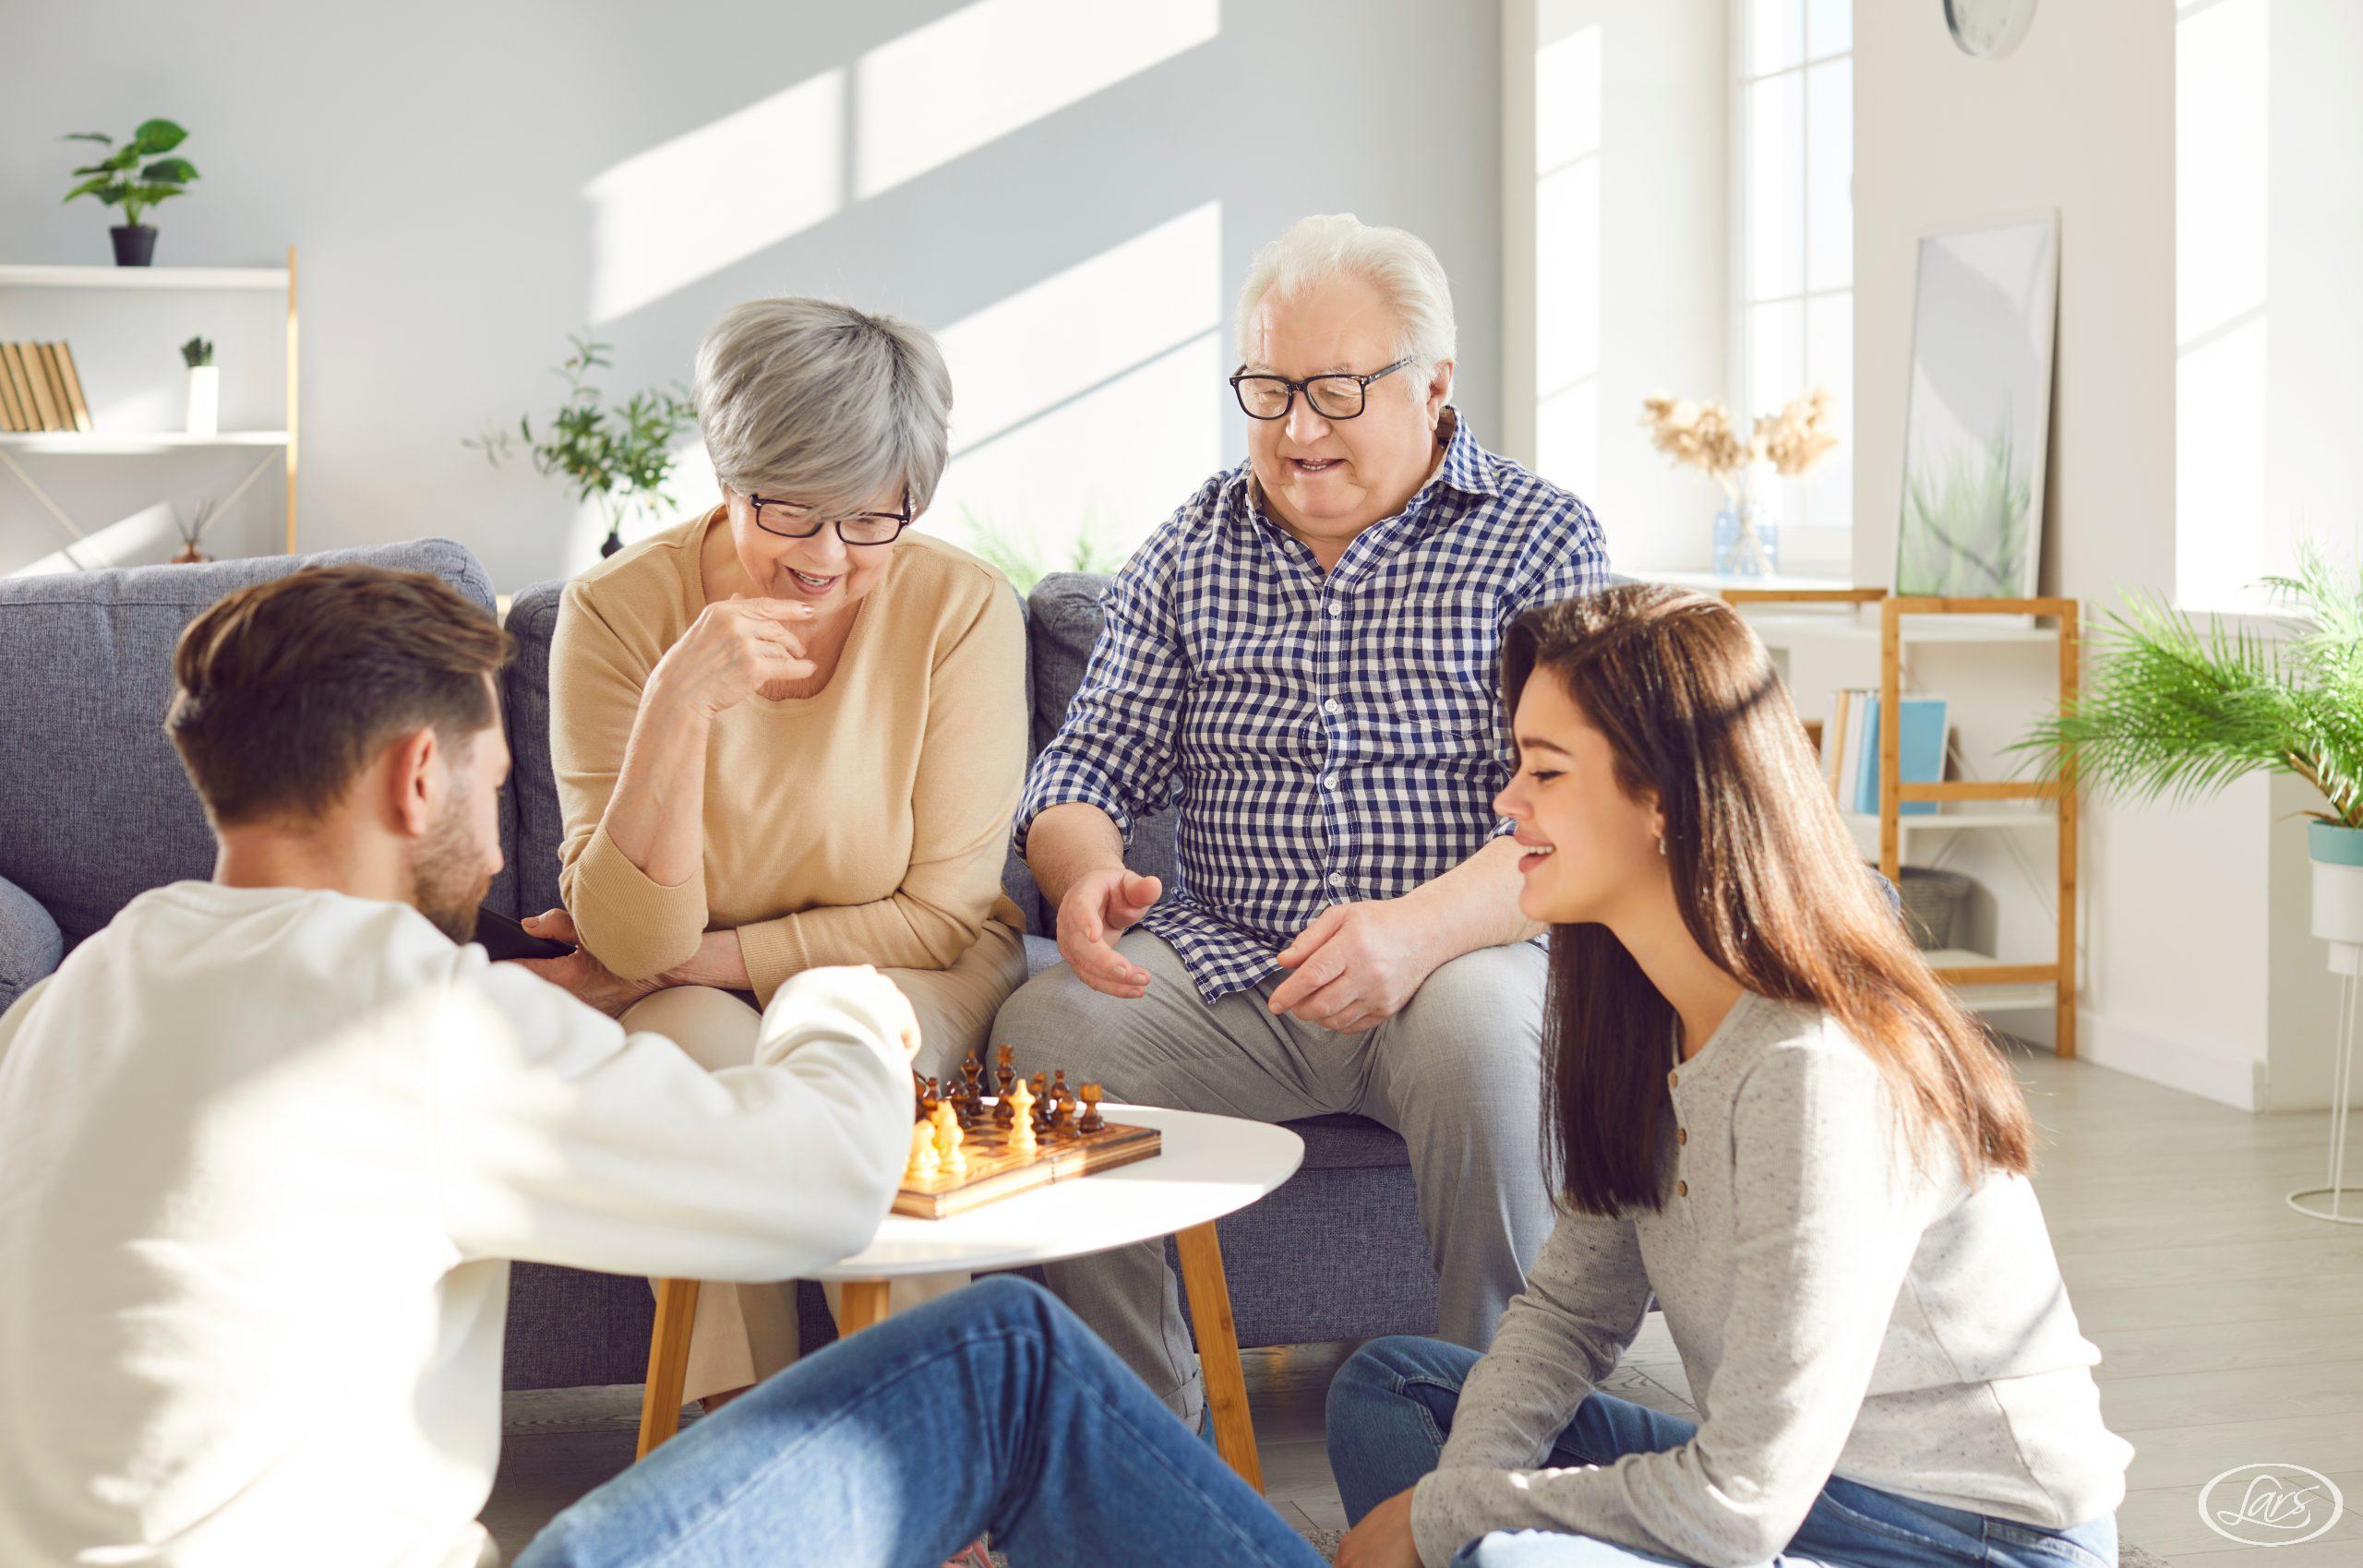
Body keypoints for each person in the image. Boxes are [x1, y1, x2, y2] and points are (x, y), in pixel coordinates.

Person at [0, 564, 1326, 1568]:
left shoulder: (75, 996)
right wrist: (833, 996)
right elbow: (818, 1181)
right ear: (418, 777)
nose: (495, 813)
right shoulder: (404, 1013)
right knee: (1003, 1357)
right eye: (491, 772)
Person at [1325, 585, 2131, 1568]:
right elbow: (1569, 1313)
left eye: (1544, 769)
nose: (1507, 802)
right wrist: (1461, 1498)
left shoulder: (1818, 1069)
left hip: (1967, 1540)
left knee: (1498, 1556)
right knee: (1395, 1388)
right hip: (1797, 1490)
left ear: (1662, 796)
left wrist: (1444, 1522)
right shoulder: (1639, 1018)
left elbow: (1738, 1509)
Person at [995, 213, 1609, 1427]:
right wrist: (1084, 876)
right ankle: (1140, 1435)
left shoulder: (1543, 537)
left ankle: (1500, 1439)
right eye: (1267, 388)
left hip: (1461, 963)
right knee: (1042, 1031)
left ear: (1434, 387)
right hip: (1232, 974)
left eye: (1335, 389)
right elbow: (1078, 772)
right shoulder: (1193, 544)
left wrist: (1414, 934)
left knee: (1488, 1040)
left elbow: (1581, 808)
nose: (1296, 429)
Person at [534, 297, 1029, 1402]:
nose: (825, 556)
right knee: (681, 1077)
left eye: (869, 518)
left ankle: (925, 1457)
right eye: (790, 511)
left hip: (912, 971)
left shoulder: (959, 609)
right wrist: (677, 705)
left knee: (846, 1046)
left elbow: (942, 911)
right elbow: (629, 930)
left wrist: (691, 960)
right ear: (728, 474)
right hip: (689, 979)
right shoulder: (619, 613)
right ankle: (749, 1449)